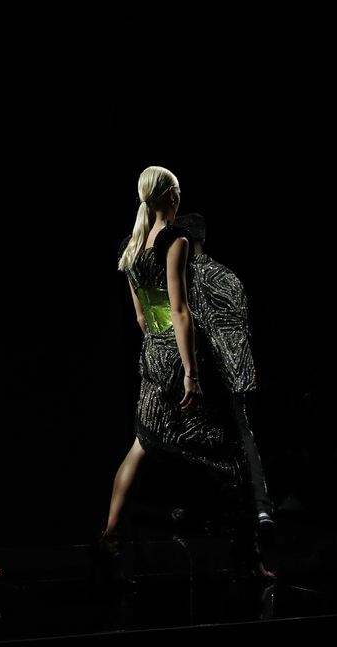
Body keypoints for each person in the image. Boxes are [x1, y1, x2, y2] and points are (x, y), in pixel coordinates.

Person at [98, 166, 271, 582]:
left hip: (152, 353)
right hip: (181, 355)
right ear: (171, 195)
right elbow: (180, 310)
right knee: (229, 447)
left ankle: (110, 539)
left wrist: (157, 353)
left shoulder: (130, 247)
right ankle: (246, 547)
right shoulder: (174, 238)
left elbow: (142, 317)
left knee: (143, 443)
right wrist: (191, 370)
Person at [174, 213, 276, 535]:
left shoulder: (185, 276)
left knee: (195, 436)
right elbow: (242, 325)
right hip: (239, 369)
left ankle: (206, 509)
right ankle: (260, 507)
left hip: (208, 369)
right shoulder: (229, 275)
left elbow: (187, 324)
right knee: (241, 435)